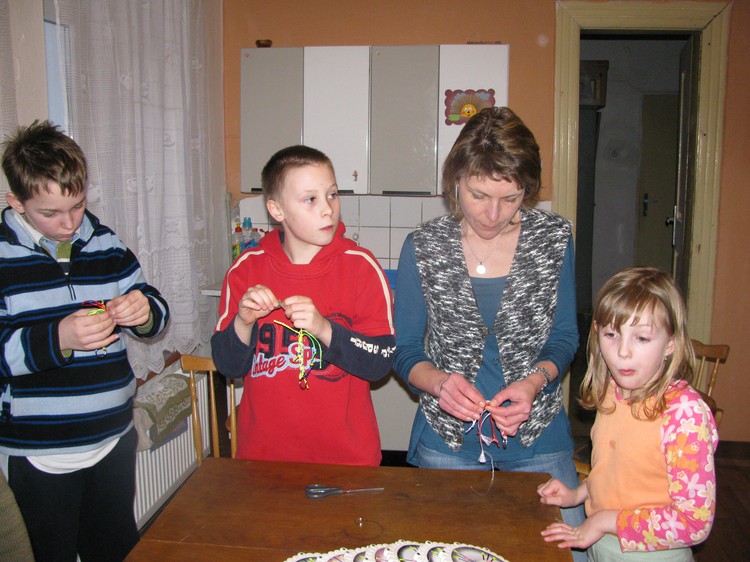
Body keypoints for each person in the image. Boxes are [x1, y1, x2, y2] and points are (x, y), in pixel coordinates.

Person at [392, 106, 586, 558]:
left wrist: (535, 381)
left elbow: (565, 336)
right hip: (448, 444)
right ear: (455, 180)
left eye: (511, 198)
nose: (493, 213)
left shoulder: (553, 239)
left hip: (539, 437)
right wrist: (439, 384)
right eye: (479, 195)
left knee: (569, 554)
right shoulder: (424, 246)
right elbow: (405, 350)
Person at [0, 120, 170, 561]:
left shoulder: (104, 241)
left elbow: (154, 306)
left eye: (76, 206)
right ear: (16, 202)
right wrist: (59, 337)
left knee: (115, 550)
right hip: (39, 453)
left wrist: (144, 311)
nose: (69, 223)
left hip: (112, 437)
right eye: (50, 213)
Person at [211, 145, 395, 466]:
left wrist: (324, 329)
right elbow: (228, 366)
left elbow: (380, 363)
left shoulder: (361, 267)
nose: (327, 209)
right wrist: (243, 323)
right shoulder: (246, 269)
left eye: (332, 194)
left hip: (347, 461)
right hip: (263, 459)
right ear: (277, 210)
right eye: (310, 199)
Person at [538, 267, 718, 560]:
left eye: (642, 338)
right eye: (611, 334)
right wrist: (577, 494)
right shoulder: (612, 390)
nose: (622, 352)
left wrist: (603, 521)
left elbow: (694, 524)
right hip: (601, 547)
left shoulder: (685, 414)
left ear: (670, 343)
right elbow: (616, 473)